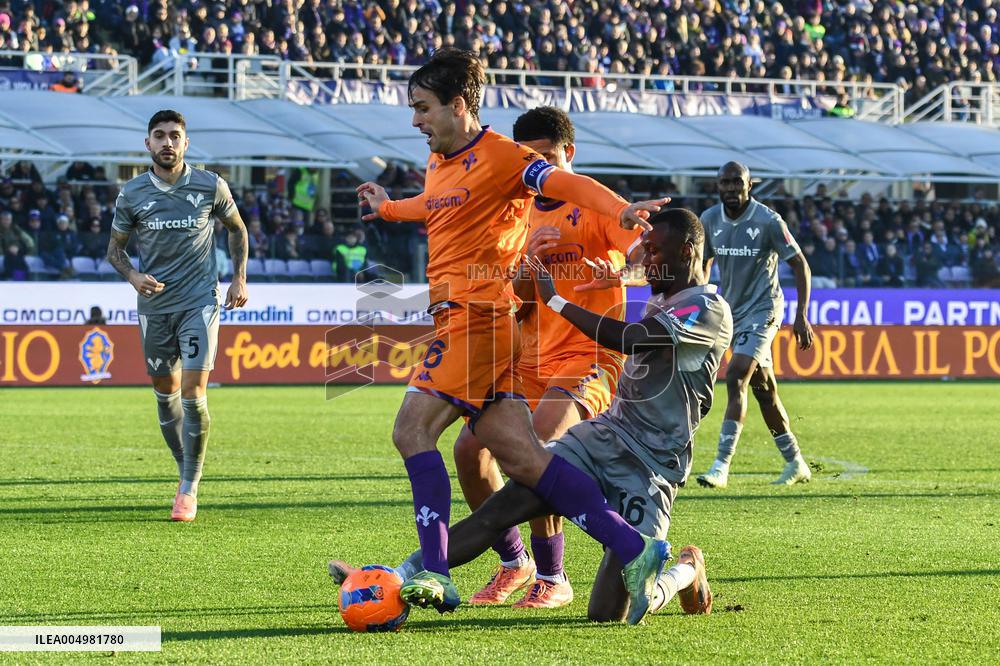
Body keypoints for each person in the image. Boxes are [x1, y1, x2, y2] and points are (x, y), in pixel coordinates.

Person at [352, 48, 670, 623]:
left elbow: (564, 183)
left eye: (422, 108)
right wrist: (390, 207)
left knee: (411, 430)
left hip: (478, 318)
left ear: (458, 105)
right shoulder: (440, 160)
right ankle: (635, 548)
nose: (414, 121)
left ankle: (436, 573)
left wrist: (623, 212)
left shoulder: (505, 157)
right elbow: (437, 207)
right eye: (411, 109)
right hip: (485, 327)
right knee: (522, 457)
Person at [331, 208, 731, 623]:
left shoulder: (709, 308)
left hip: (651, 463)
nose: (645, 260)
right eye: (644, 251)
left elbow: (629, 339)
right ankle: (397, 577)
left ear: (687, 251)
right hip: (603, 435)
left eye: (653, 252)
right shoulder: (666, 290)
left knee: (609, 613)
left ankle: (685, 572)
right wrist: (620, 276)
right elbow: (645, 284)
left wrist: (555, 297)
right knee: (504, 506)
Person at [451, 106, 643, 609]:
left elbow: (648, 254)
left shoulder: (598, 206)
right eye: (531, 160)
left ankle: (555, 577)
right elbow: (515, 290)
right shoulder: (521, 212)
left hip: (588, 355)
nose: (541, 169)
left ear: (569, 155)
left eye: (549, 158)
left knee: (538, 444)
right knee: (469, 453)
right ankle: (516, 563)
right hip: (528, 358)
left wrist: (623, 271)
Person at [107, 109, 249, 522]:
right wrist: (133, 275)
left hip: (200, 301)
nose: (168, 142)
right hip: (154, 308)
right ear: (147, 144)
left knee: (192, 391)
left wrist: (239, 278)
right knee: (165, 395)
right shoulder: (132, 194)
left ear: (186, 142)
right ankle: (184, 467)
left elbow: (237, 229)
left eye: (175, 135)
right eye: (160, 136)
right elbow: (114, 249)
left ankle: (189, 487)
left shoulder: (209, 185)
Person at [696, 162, 815, 489]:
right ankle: (796, 462)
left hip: (764, 311)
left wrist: (801, 314)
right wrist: (703, 299)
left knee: (736, 376)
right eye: (725, 182)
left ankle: (721, 466)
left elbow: (800, 264)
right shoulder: (710, 220)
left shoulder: (768, 221)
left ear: (750, 185)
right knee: (765, 391)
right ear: (717, 185)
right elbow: (703, 264)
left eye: (738, 182)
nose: (731, 188)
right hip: (732, 314)